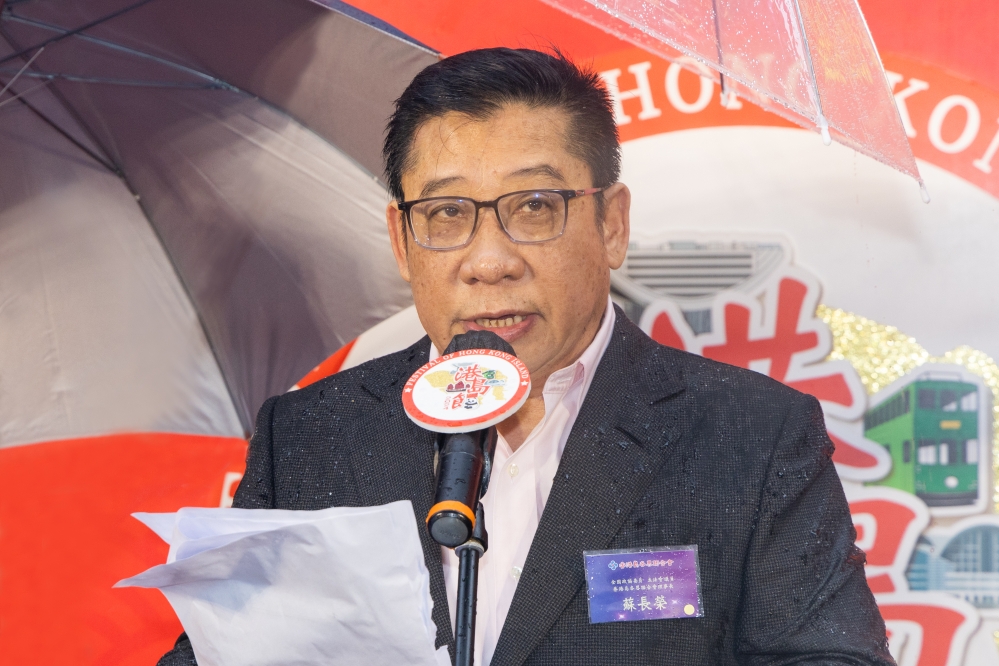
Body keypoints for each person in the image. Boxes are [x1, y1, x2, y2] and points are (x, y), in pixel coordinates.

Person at [159, 48, 893, 666]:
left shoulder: (751, 438)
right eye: (447, 213)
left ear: (611, 224)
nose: (489, 262)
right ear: (401, 241)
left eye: (534, 206)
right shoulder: (308, 438)